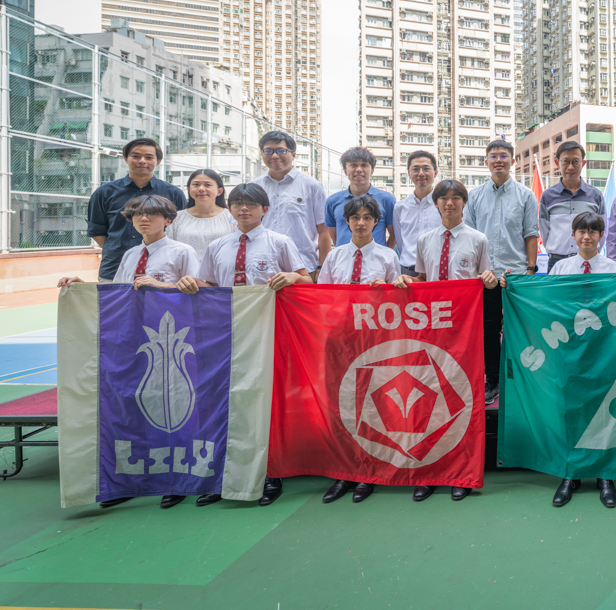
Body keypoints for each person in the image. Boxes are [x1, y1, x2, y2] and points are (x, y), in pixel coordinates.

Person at [176, 182, 311, 509]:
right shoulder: (217, 246)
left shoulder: (280, 242)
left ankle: (271, 473)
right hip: (226, 334)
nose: (244, 209)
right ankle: (223, 476)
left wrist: (293, 278)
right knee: (226, 401)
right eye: (237, 203)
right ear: (230, 208)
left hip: (268, 333)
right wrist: (190, 282)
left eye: (251, 204)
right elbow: (208, 285)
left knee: (266, 402)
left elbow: (307, 280)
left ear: (265, 209)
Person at [62, 194, 200, 511]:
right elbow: (119, 293)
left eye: (152, 214)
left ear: (168, 219)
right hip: (133, 339)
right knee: (132, 405)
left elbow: (198, 292)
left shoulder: (182, 252)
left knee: (172, 405)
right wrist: (82, 286)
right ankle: (132, 480)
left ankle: (176, 480)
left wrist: (163, 286)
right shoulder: (131, 254)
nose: (144, 219)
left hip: (169, 343)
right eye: (138, 214)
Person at [400, 179, 498, 503]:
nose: (450, 203)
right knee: (427, 396)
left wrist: (490, 279)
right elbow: (422, 280)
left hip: (464, 330)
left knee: (462, 398)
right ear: (436, 203)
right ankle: (429, 472)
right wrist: (406, 280)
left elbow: (487, 281)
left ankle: (461, 473)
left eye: (456, 197)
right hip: (431, 329)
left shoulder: (478, 239)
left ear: (464, 203)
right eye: (444, 198)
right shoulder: (424, 240)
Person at [318, 195, 404, 506]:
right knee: (339, 403)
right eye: (355, 217)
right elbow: (322, 298)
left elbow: (399, 304)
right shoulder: (334, 256)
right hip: (339, 338)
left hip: (373, 340)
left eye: (368, 217)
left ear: (377, 222)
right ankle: (344, 470)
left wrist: (385, 293)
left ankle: (369, 469)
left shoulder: (387, 257)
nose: (361, 222)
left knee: (371, 402)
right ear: (347, 222)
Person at [544, 211, 616, 510]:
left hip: (604, 350)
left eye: (592, 231)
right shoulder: (560, 268)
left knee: (604, 407)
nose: (586, 236)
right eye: (581, 231)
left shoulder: (614, 269)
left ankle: (605, 473)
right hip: (569, 349)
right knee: (570, 408)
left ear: (601, 236)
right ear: (573, 235)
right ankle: (571, 473)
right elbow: (548, 304)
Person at [462, 140, 538, 404]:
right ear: (486, 162)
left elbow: (531, 234)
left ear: (512, 161)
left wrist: (530, 270)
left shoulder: (525, 195)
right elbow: (469, 236)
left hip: (516, 276)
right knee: (489, 332)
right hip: (486, 277)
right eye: (493, 156)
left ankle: (522, 380)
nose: (498, 160)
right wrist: (475, 274)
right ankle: (493, 380)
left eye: (503, 156)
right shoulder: (474, 196)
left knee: (520, 330)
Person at [86, 137, 186, 282]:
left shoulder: (173, 193)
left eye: (149, 157)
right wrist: (121, 251)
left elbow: (180, 229)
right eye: (136, 156)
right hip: (114, 268)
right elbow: (96, 230)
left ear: (158, 161)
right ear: (125, 158)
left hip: (163, 271)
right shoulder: (104, 192)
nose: (142, 161)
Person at [251, 130, 327, 279]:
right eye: (268, 151)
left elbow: (324, 231)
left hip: (303, 267)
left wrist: (322, 267)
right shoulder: (253, 187)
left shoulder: (312, 186)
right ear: (262, 154)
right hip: (261, 266)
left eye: (281, 151)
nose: (274, 155)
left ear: (293, 154)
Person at [540, 141, 606, 273]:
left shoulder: (596, 196)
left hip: (588, 262)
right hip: (557, 262)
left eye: (575, 161)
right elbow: (544, 232)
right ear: (557, 163)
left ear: (583, 163)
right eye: (565, 161)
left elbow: (602, 231)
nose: (570, 167)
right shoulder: (547, 196)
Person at [322, 147, 396, 256]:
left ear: (372, 171)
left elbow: (394, 236)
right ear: (345, 171)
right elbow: (335, 236)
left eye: (364, 165)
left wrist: (384, 256)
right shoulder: (332, 201)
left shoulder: (387, 200)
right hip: (344, 260)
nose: (359, 169)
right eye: (353, 165)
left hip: (377, 261)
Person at [167, 169, 237, 260]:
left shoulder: (231, 218)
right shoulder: (176, 218)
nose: (201, 189)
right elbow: (169, 249)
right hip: (184, 269)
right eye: (196, 184)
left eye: (208, 185)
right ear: (189, 190)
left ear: (219, 191)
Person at [393, 150, 441, 279]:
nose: (421, 173)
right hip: (408, 271)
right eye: (415, 169)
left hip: (438, 271)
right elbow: (400, 242)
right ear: (409, 174)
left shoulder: (444, 206)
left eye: (426, 168)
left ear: (435, 172)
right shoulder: (400, 207)